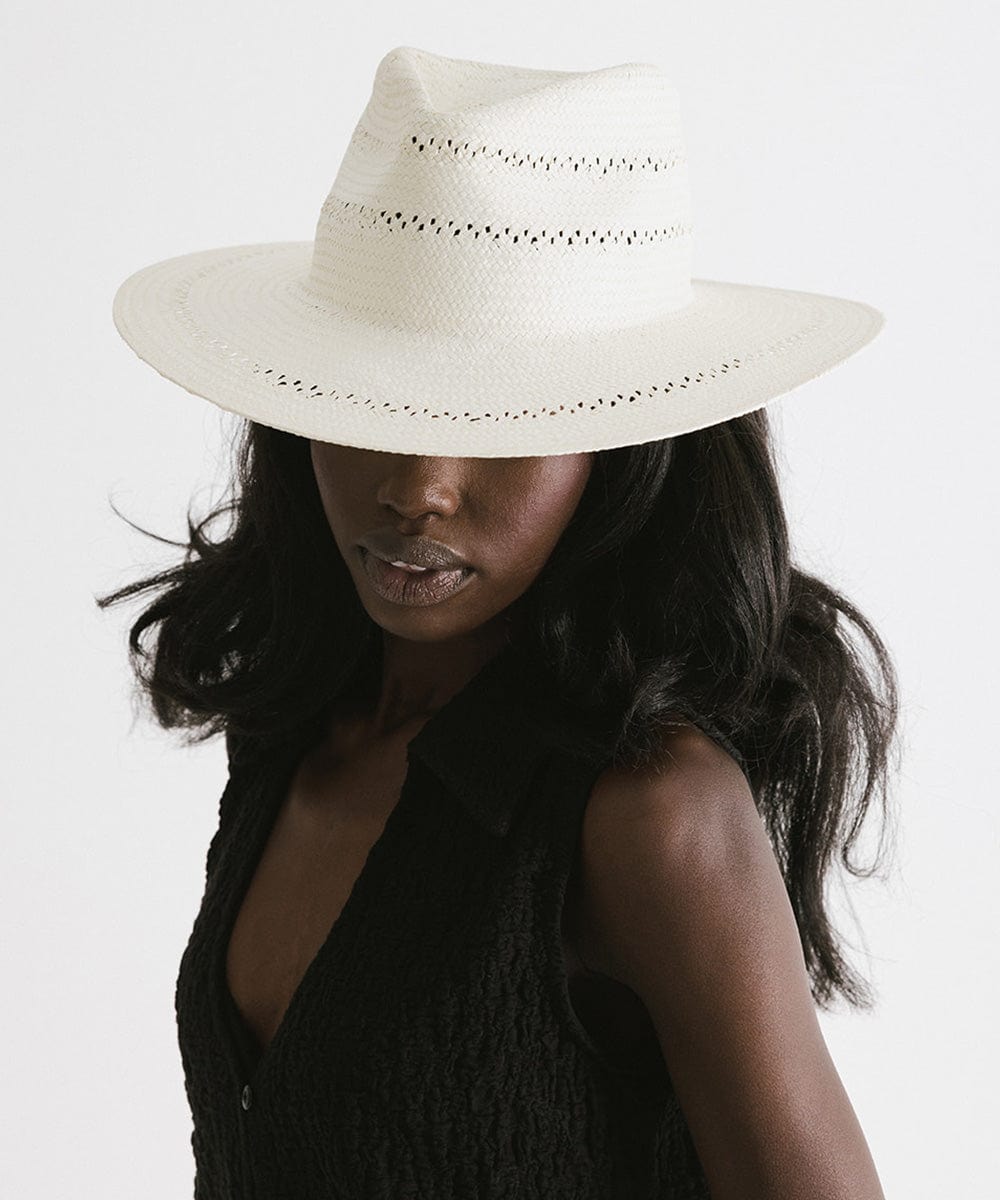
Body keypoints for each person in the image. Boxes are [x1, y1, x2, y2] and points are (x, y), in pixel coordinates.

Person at [99, 44, 899, 1200]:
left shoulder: (649, 815)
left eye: (508, 423)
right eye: (372, 399)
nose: (419, 485)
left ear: (618, 459)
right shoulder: (293, 732)